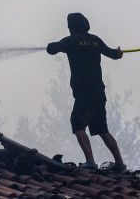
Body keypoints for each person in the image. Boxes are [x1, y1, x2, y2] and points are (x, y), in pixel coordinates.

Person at [46, 12, 125, 171]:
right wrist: (118, 52)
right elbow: (113, 54)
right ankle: (120, 164)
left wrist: (50, 46)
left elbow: (52, 49)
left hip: (84, 93)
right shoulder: (95, 40)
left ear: (72, 27)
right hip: (99, 93)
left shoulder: (71, 40)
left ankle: (90, 161)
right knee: (102, 130)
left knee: (77, 123)